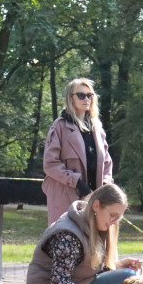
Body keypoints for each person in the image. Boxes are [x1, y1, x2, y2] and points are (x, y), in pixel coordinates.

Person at [42, 78, 113, 225]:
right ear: (70, 98)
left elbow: (107, 163)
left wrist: (104, 187)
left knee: (92, 243)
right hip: (65, 196)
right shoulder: (59, 126)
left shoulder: (97, 129)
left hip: (94, 198)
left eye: (90, 95)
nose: (86, 99)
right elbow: (50, 164)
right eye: (81, 95)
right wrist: (78, 183)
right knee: (67, 240)